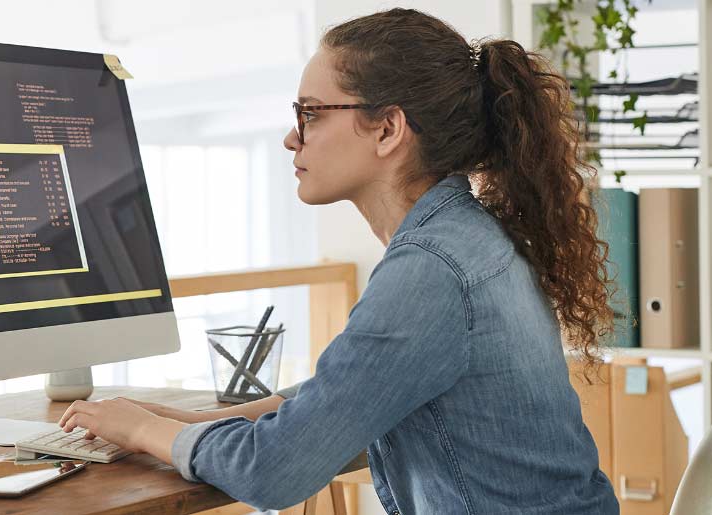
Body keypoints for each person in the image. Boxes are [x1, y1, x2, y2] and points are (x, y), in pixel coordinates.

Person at [59, 8, 620, 514]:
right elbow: (357, 387)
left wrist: (141, 429)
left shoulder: (432, 267)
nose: (290, 137)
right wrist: (196, 422)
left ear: (387, 129)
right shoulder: (462, 238)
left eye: (310, 114)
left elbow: (273, 471)